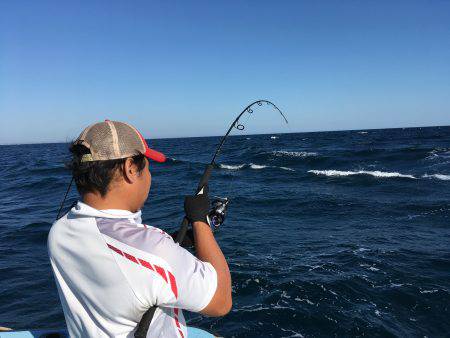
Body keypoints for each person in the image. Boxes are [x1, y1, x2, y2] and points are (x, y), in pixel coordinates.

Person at [48, 120, 232, 337]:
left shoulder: (59, 232)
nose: (150, 177)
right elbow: (221, 302)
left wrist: (179, 242)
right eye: (147, 167)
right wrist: (200, 220)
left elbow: (121, 258)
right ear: (131, 169)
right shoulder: (155, 252)